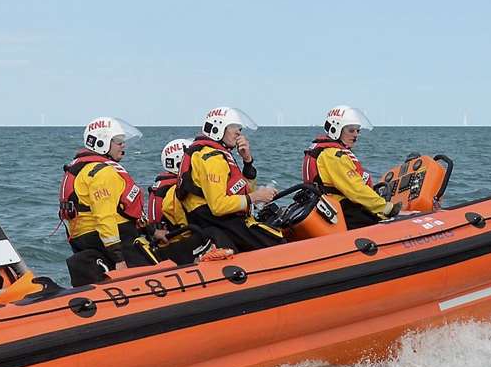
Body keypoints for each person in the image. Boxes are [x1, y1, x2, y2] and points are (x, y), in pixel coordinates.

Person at [177, 106, 283, 252]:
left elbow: (242, 191)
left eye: (239, 128)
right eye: (233, 126)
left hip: (224, 222)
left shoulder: (215, 154)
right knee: (279, 244)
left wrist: (247, 160)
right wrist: (255, 196)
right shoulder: (212, 159)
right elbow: (218, 206)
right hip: (221, 222)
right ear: (218, 128)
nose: (239, 131)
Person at [58, 116, 148, 285]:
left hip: (81, 238)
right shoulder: (103, 173)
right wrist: (119, 259)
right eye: (119, 141)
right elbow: (105, 217)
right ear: (102, 143)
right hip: (109, 239)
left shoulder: (80, 169)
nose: (123, 145)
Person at [302, 105, 401, 229]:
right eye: (351, 130)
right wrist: (384, 207)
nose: (355, 135)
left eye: (357, 131)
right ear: (335, 129)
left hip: (331, 207)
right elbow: (355, 189)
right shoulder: (334, 155)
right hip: (341, 210)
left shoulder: (324, 151)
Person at [144, 137, 213, 264]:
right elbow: (185, 223)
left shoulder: (160, 186)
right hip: (176, 242)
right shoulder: (176, 189)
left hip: (162, 242)